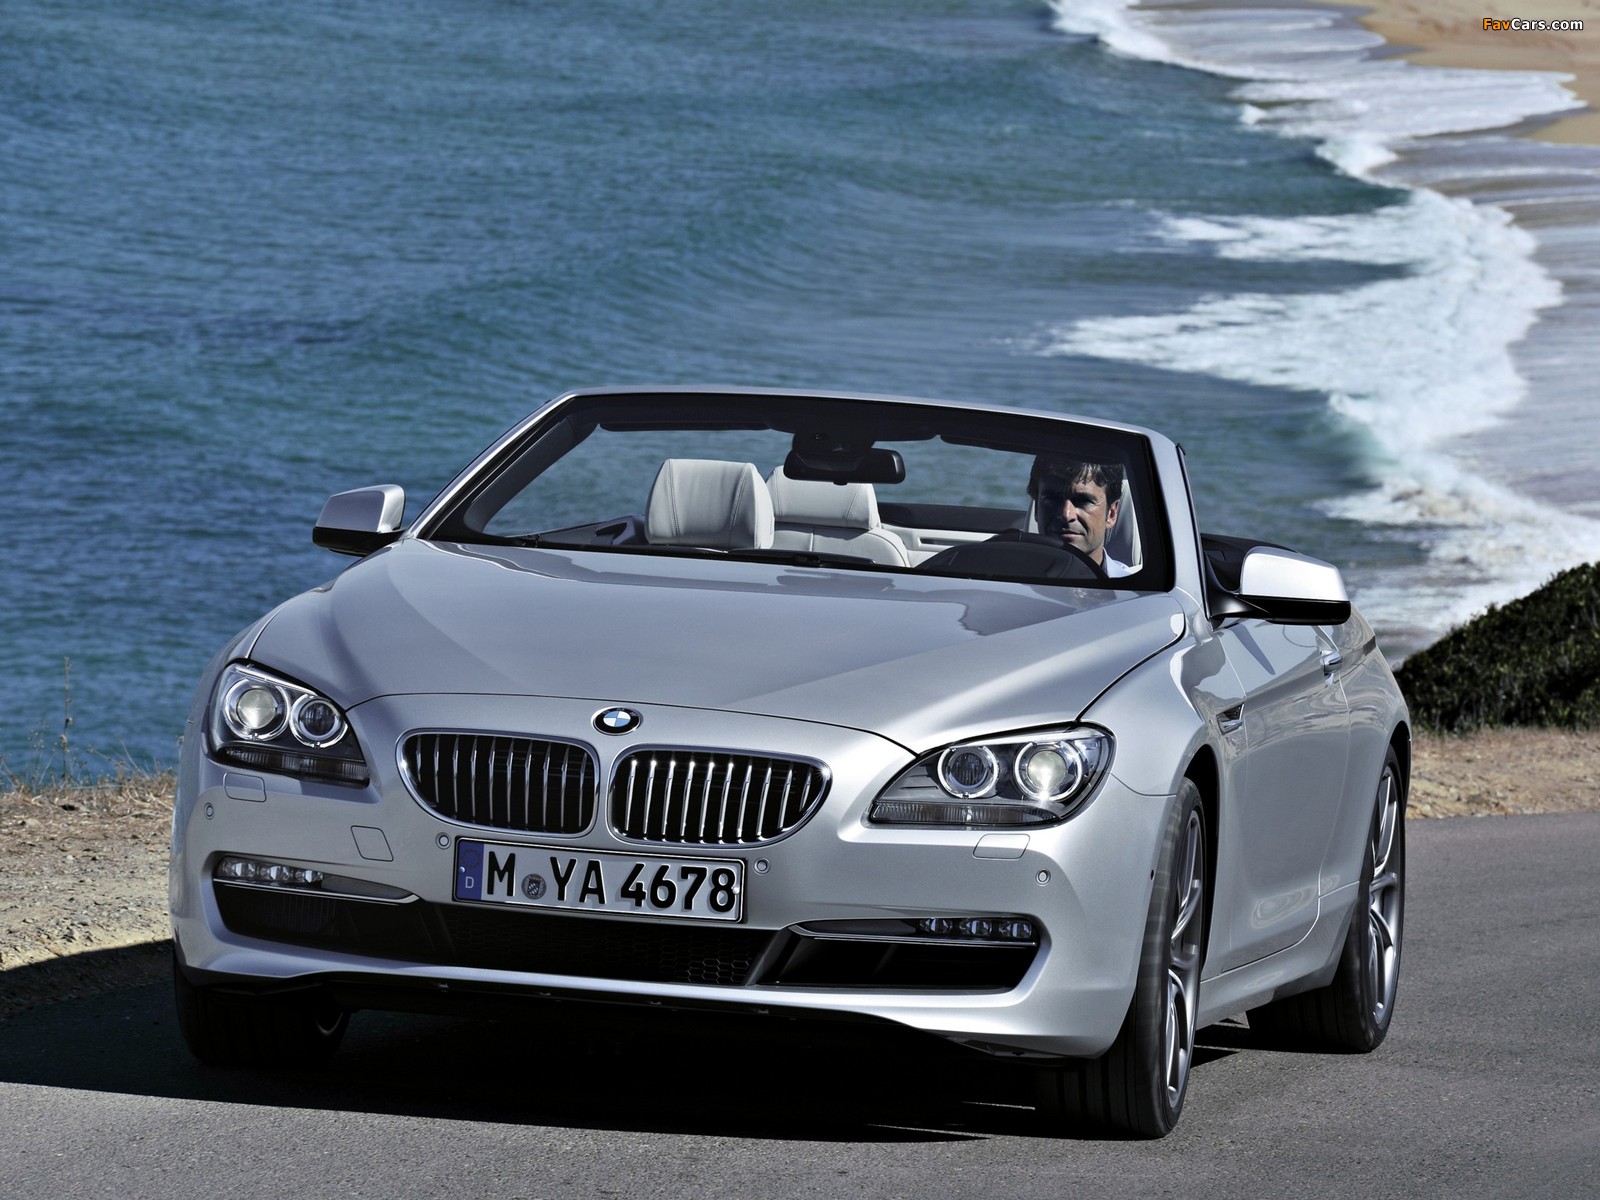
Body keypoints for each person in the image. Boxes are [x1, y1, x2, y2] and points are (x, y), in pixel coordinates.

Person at [1027, 457, 1133, 577]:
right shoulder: (1011, 577)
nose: (1066, 514)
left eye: (1083, 501)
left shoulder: (1135, 587)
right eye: (1053, 499)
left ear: (1111, 513)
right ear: (1036, 509)